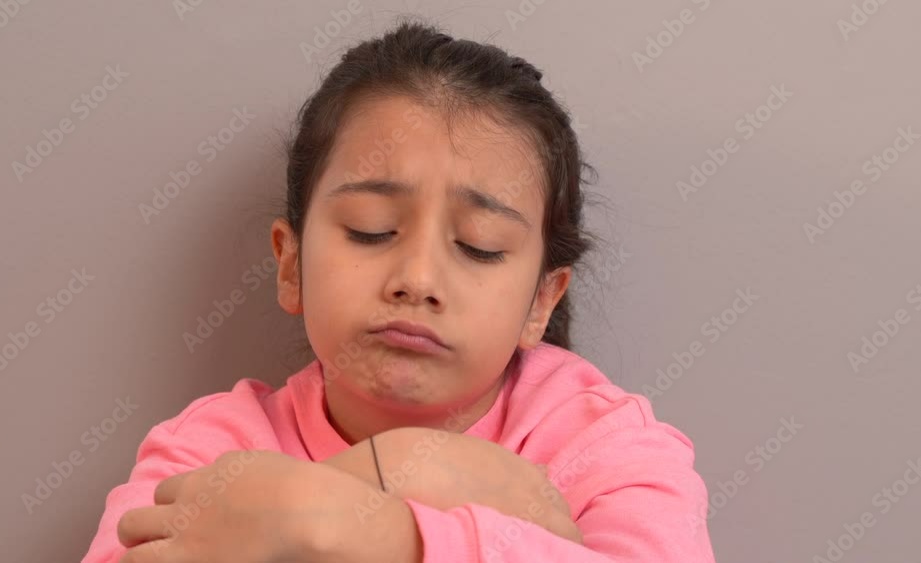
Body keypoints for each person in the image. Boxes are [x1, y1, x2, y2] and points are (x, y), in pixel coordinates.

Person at [81, 18, 716, 563]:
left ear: (541, 302)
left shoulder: (603, 448)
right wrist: (402, 466)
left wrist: (386, 532)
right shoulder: (213, 447)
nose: (417, 280)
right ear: (291, 265)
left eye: (479, 246)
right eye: (371, 230)